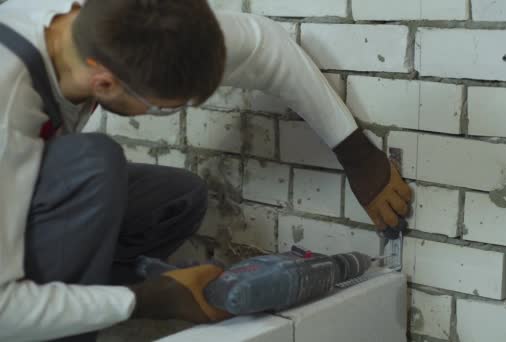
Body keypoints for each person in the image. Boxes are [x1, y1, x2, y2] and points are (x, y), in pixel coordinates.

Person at [0, 0, 413, 340]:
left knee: (176, 198)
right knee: (93, 166)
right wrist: (145, 300)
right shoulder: (8, 102)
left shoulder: (125, 26)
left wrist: (356, 153)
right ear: (104, 82)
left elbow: (263, 45)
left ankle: (79, 304)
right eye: (164, 107)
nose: (171, 113)